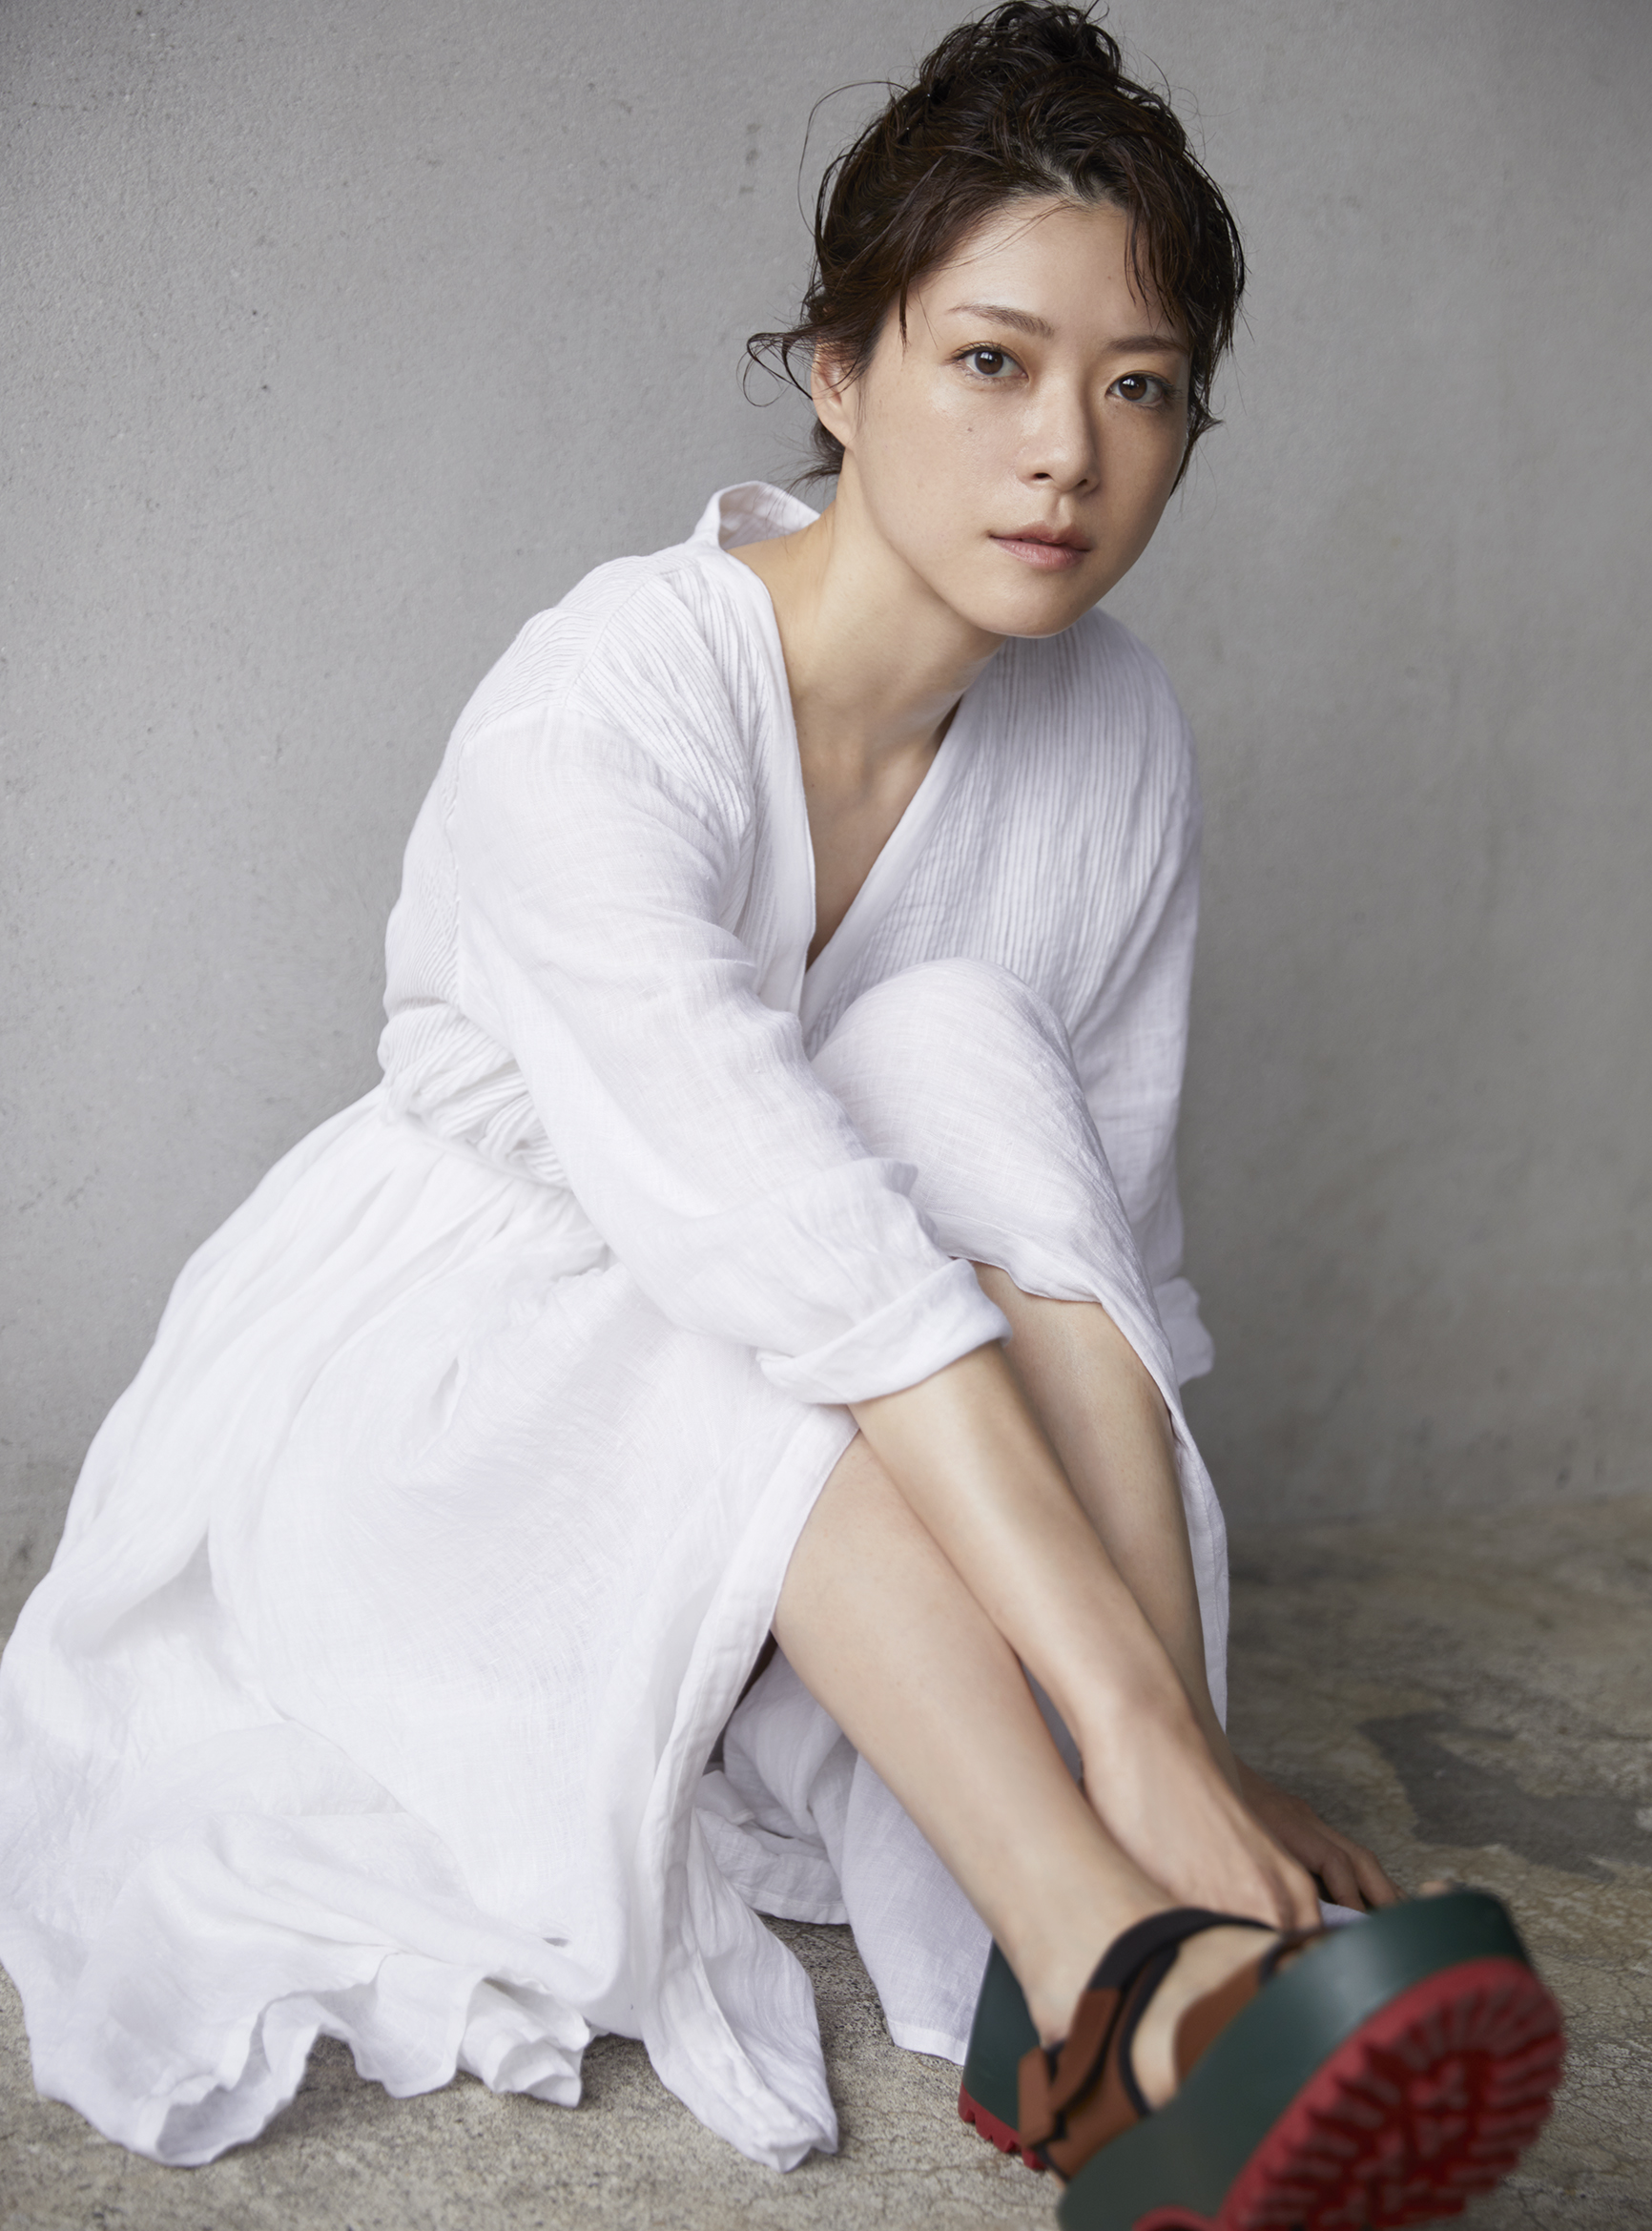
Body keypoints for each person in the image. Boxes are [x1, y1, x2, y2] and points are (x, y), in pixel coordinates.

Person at [0, 5, 1561, 2222]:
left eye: (1138, 389)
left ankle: (1128, 1914)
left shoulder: (1112, 734)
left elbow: (1090, 1232)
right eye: (990, 362)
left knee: (950, 1045)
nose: (1064, 454)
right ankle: (1102, 1957)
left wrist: (1184, 1728)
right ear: (836, 372)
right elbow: (770, 1233)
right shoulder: (606, 696)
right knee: (750, 1258)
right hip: (463, 1405)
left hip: (849, 1419)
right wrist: (1129, 1736)